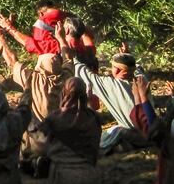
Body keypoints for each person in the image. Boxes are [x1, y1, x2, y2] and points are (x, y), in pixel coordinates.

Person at [55, 23, 148, 153]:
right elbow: (136, 68)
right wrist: (127, 55)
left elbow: (81, 70)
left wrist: (61, 41)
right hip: (155, 130)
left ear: (118, 69)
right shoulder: (142, 79)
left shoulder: (111, 85)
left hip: (138, 135)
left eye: (113, 66)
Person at [0, 22, 64, 176]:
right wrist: (61, 39)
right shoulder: (66, 78)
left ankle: (30, 161)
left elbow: (11, 60)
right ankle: (47, 160)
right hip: (57, 142)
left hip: (36, 139)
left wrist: (0, 39)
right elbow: (68, 55)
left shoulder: (32, 78)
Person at [38, 77, 103, 184]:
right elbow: (96, 144)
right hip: (89, 173)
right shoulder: (94, 118)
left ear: (64, 93)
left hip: (62, 175)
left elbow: (39, 144)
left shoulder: (55, 118)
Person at [0, 3, 96, 60]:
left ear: (67, 30)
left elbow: (29, 43)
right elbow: (86, 35)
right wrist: (76, 21)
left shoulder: (56, 47)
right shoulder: (89, 49)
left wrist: (9, 27)